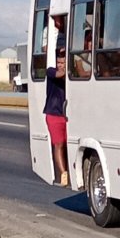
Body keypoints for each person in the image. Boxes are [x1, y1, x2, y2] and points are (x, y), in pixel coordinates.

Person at [44, 48, 69, 186]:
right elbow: (60, 74)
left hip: (67, 114)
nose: (60, 64)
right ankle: (63, 173)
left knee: (67, 144)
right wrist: (70, 68)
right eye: (59, 62)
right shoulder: (51, 71)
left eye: (63, 62)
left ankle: (68, 171)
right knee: (58, 144)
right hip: (53, 114)